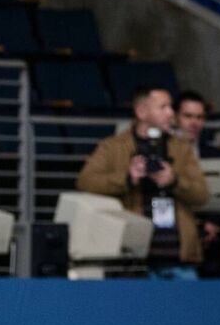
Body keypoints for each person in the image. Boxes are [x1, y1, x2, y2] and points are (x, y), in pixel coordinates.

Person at [76, 85, 209, 280]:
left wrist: (174, 181)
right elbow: (85, 181)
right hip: (133, 257)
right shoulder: (113, 147)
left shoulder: (181, 149)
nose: (171, 113)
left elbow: (202, 194)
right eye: (163, 107)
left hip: (178, 258)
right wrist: (127, 178)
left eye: (171, 107)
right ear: (141, 111)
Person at [175, 90, 220, 278]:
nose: (194, 122)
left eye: (199, 117)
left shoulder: (217, 155)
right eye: (188, 116)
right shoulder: (164, 154)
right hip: (176, 244)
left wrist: (214, 223)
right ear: (176, 117)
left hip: (212, 248)